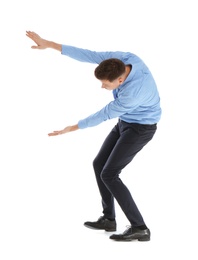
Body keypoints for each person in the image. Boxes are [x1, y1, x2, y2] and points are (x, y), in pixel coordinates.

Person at [26, 31, 161, 242]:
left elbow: (104, 114)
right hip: (126, 121)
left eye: (106, 84)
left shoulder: (132, 93)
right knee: (99, 164)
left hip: (141, 127)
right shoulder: (124, 60)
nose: (102, 87)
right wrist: (51, 45)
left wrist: (72, 127)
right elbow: (90, 55)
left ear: (121, 79)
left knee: (110, 173)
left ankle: (140, 227)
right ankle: (109, 219)